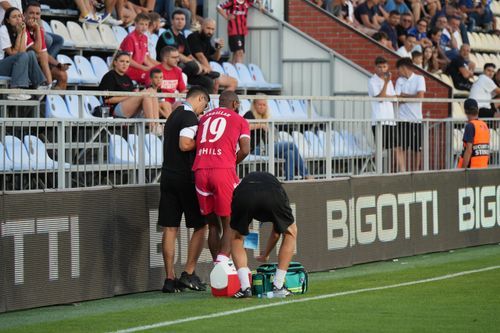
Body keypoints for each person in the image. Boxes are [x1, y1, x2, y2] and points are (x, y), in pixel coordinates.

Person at [158, 86, 211, 293]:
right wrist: (204, 142)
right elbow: (185, 144)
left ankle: (169, 278)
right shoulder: (189, 117)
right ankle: (188, 272)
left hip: (168, 176)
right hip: (185, 177)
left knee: (170, 228)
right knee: (200, 225)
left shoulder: (173, 115)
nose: (202, 111)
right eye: (203, 106)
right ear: (199, 98)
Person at [192, 90, 250, 263]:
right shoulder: (240, 119)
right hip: (222, 170)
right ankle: (223, 264)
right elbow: (245, 149)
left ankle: (218, 267)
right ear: (235, 104)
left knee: (212, 225)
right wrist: (231, 162)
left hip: (201, 171)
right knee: (229, 223)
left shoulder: (204, 118)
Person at [230, 172, 298, 298]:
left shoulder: (245, 184)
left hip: (244, 194)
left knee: (236, 237)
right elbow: (277, 233)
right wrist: (265, 255)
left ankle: (245, 288)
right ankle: (278, 286)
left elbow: (244, 232)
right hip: (272, 194)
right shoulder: (279, 190)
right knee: (290, 232)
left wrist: (264, 254)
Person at [243, 97, 313, 180]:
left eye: (264, 105)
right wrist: (260, 125)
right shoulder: (249, 114)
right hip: (255, 149)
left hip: (266, 148)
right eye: (259, 105)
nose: (262, 107)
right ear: (254, 105)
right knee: (291, 145)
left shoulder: (264, 117)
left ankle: (289, 180)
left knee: (290, 153)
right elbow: (243, 127)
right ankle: (305, 173)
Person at [156, 9, 215, 93]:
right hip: (168, 67)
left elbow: (189, 55)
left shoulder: (181, 36)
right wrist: (198, 66)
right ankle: (200, 71)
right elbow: (177, 55)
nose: (180, 22)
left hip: (183, 68)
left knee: (208, 81)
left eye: (182, 19)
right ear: (172, 21)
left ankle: (205, 104)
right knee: (192, 66)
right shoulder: (167, 35)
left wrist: (200, 65)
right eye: (177, 19)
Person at [98, 51, 160, 122]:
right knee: (145, 93)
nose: (125, 64)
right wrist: (130, 96)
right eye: (122, 61)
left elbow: (133, 95)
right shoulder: (109, 76)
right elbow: (107, 100)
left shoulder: (127, 78)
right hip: (114, 110)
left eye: (127, 62)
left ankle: (156, 125)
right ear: (115, 62)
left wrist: (134, 95)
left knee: (151, 92)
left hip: (129, 107)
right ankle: (152, 126)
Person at [0, 6, 47, 100]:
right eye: (14, 17)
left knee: (30, 54)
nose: (18, 19)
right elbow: (12, 53)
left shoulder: (23, 31)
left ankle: (39, 86)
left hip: (13, 67)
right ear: (8, 20)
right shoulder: (3, 30)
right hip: (2, 65)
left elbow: (22, 53)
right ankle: (15, 91)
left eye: (19, 16)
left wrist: (21, 33)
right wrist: (19, 35)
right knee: (25, 55)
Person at [24, 1, 68, 90]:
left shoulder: (38, 29)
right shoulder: (22, 28)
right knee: (39, 54)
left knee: (62, 74)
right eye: (31, 13)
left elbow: (44, 53)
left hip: (38, 63)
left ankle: (53, 101)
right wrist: (37, 28)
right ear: (24, 14)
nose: (34, 16)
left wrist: (58, 64)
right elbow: (38, 50)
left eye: (37, 14)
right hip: (22, 66)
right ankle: (47, 85)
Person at [187, 18, 238, 91]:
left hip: (205, 72)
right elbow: (201, 57)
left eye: (212, 29)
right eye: (208, 28)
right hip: (195, 72)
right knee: (214, 82)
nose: (210, 31)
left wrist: (218, 49)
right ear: (202, 26)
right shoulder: (193, 37)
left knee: (234, 82)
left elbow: (216, 58)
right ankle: (212, 102)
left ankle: (221, 102)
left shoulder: (207, 39)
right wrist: (211, 73)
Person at [395, 57, 426, 172]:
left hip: (416, 119)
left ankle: (416, 172)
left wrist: (405, 96)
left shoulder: (419, 78)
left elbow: (420, 97)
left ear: (403, 68)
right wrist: (409, 97)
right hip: (402, 119)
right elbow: (397, 98)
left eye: (398, 69)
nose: (397, 72)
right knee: (400, 146)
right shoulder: (399, 80)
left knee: (416, 148)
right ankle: (403, 172)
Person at [368, 56, 397, 172]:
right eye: (379, 67)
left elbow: (394, 98)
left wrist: (385, 92)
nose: (382, 69)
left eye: (384, 67)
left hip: (390, 120)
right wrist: (385, 83)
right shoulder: (372, 81)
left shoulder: (389, 82)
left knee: (394, 148)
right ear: (375, 68)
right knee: (380, 148)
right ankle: (378, 172)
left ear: (388, 67)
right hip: (379, 120)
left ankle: (391, 172)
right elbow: (380, 98)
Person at [146, 46, 187, 118]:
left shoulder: (178, 71)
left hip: (171, 105)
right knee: (166, 105)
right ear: (165, 58)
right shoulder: (154, 71)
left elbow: (183, 90)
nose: (177, 60)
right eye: (174, 57)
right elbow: (149, 91)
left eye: (178, 57)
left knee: (183, 105)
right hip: (157, 104)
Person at [119, 13, 160, 85]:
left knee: (159, 73)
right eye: (141, 24)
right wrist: (143, 68)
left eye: (146, 24)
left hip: (139, 69)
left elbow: (145, 59)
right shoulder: (130, 38)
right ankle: (149, 93)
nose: (144, 27)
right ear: (135, 24)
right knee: (153, 76)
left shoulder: (145, 38)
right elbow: (128, 60)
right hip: (129, 70)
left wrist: (158, 67)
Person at [457, 98, 490, 168]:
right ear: (477, 110)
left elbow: (469, 150)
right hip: (483, 167)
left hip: (472, 169)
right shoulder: (484, 125)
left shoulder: (470, 126)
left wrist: (463, 170)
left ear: (465, 111)